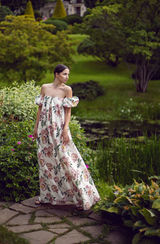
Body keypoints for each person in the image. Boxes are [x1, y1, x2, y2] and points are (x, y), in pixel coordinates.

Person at [33, 64, 100, 210]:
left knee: (66, 159)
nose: (67, 77)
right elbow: (40, 109)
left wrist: (65, 129)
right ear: (56, 74)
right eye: (64, 74)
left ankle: (83, 195)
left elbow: (68, 112)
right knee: (46, 162)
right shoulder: (45, 87)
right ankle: (47, 197)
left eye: (68, 74)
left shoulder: (67, 90)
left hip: (59, 130)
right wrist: (36, 127)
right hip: (44, 130)